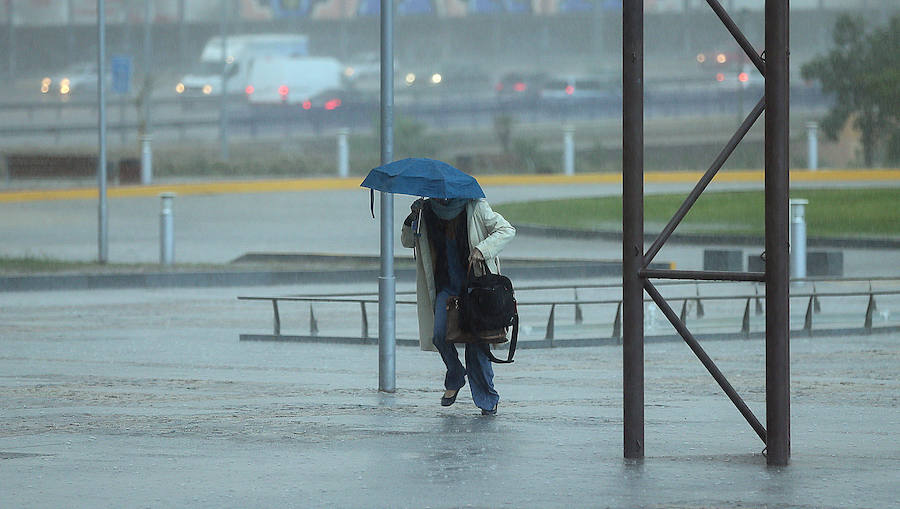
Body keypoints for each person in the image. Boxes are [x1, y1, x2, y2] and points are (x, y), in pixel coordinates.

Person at [401, 196, 516, 415]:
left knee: (476, 344)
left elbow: (506, 230)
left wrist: (483, 249)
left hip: (475, 287)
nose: (441, 197)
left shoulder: (475, 206)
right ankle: (455, 373)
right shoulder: (426, 211)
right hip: (446, 286)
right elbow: (407, 242)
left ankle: (487, 400)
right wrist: (412, 218)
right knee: (438, 335)